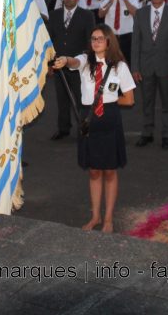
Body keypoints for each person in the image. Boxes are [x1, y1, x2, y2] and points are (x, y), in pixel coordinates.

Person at [52, 24, 135, 232]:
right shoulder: (85, 62)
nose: (95, 42)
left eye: (100, 38)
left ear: (109, 41)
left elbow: (129, 100)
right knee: (94, 172)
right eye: (93, 38)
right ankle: (96, 216)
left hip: (110, 119)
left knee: (109, 172)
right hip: (89, 121)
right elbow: (73, 61)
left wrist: (108, 99)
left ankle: (108, 219)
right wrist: (64, 60)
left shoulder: (119, 66)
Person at [131, 0, 168, 149]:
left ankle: (167, 135)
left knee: (167, 103)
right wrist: (135, 68)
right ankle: (147, 133)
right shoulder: (140, 13)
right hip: (145, 66)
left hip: (167, 67)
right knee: (147, 102)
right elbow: (136, 43)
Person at [47, 0, 95, 140]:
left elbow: (90, 40)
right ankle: (63, 128)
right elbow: (49, 41)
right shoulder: (53, 15)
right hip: (59, 65)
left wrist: (87, 60)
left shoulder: (87, 15)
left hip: (78, 64)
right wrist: (49, 64)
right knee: (61, 98)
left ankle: (85, 127)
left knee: (81, 97)